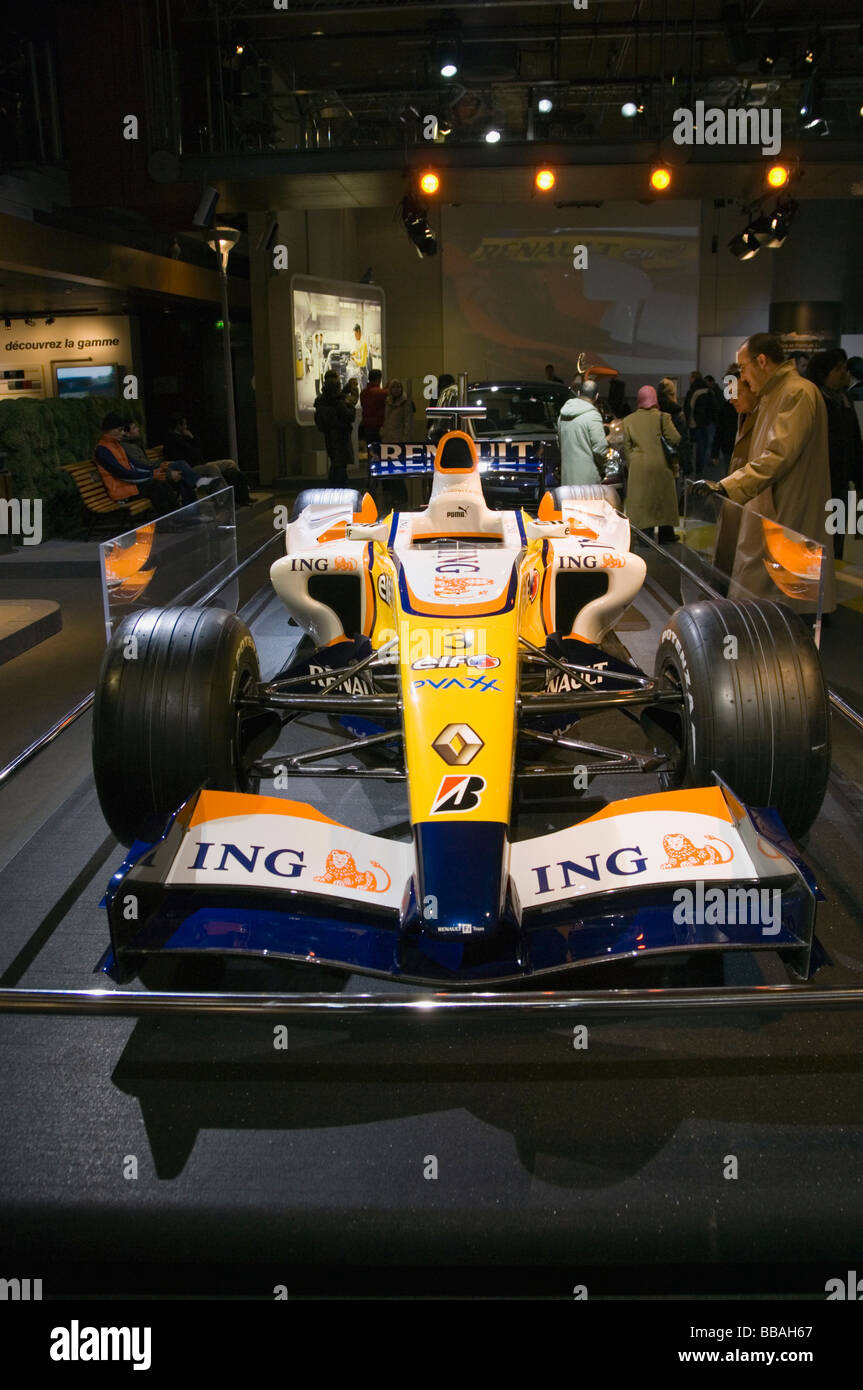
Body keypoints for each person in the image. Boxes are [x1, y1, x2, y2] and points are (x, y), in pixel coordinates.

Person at [693, 332, 835, 613]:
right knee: (769, 594)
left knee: (786, 599)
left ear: (761, 360)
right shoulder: (777, 393)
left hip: (787, 507)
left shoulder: (796, 392)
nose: (743, 378)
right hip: (772, 503)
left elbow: (778, 455)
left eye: (744, 368)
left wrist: (728, 485)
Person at [805, 350, 863, 558]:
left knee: (837, 540)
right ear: (823, 373)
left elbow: (855, 441)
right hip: (818, 487)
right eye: (837, 369)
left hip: (840, 484)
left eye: (844, 368)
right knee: (816, 541)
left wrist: (859, 479)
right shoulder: (813, 399)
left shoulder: (844, 399)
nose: (844, 373)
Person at [621, 385, 680, 542]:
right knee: (663, 500)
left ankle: (644, 537)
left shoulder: (628, 420)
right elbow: (675, 438)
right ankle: (666, 534)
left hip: (638, 466)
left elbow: (626, 447)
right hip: (661, 465)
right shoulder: (663, 417)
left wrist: (633, 461)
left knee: (642, 503)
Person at [94, 412, 180, 517]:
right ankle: (169, 522)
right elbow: (122, 474)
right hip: (121, 494)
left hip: (130, 487)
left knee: (160, 482)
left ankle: (177, 516)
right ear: (109, 430)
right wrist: (151, 474)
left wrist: (156, 469)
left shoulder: (117, 446)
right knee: (155, 486)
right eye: (120, 430)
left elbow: (136, 466)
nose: (123, 433)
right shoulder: (102, 450)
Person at [122, 420, 221, 505]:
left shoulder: (134, 444)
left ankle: (193, 503)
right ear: (126, 433)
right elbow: (143, 466)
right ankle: (198, 483)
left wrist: (162, 461)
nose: (138, 429)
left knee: (182, 471)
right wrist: (161, 464)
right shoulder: (128, 447)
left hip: (154, 470)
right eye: (134, 428)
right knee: (181, 468)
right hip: (150, 475)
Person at [163, 414, 252, 505]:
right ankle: (225, 501)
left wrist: (192, 438)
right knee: (212, 468)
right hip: (191, 467)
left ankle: (244, 491)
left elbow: (198, 450)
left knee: (230, 463)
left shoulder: (185, 437)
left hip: (201, 463)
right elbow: (189, 455)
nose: (186, 427)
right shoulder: (172, 439)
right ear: (178, 426)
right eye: (184, 425)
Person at [557, 378, 608, 486]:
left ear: (579, 393)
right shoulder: (593, 416)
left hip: (567, 479)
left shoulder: (562, 415)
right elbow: (600, 449)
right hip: (588, 481)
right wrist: (603, 468)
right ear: (597, 396)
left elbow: (559, 443)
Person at [316, 373, 355, 485]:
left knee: (335, 463)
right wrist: (350, 404)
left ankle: (332, 489)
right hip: (341, 437)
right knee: (341, 467)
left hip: (330, 436)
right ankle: (341, 491)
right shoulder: (339, 403)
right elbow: (349, 416)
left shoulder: (321, 400)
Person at [657, 377, 692, 474]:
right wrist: (686, 464)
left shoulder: (653, 410)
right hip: (672, 459)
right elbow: (682, 440)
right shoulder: (677, 411)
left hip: (654, 458)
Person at [686, 374, 719, 473]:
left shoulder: (694, 391)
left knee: (697, 446)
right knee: (704, 445)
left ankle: (696, 467)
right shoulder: (708, 390)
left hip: (695, 422)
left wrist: (689, 421)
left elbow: (689, 407)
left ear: (693, 378)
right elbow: (715, 407)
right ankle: (701, 466)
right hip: (707, 422)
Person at [381, 378, 415, 443]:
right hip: (388, 438)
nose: (396, 389)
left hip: (401, 438)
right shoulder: (388, 402)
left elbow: (408, 422)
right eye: (393, 387)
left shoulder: (405, 402)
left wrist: (406, 439)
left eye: (398, 387)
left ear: (401, 388)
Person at [360, 369, 387, 450]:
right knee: (380, 451)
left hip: (367, 426)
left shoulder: (363, 393)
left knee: (371, 451)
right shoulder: (382, 393)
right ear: (379, 379)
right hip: (379, 427)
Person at [350, 323, 369, 390]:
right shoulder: (359, 342)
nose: (355, 336)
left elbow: (363, 362)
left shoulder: (363, 343)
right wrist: (353, 353)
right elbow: (357, 351)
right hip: (361, 370)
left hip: (363, 371)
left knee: (364, 391)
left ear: (359, 332)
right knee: (361, 390)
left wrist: (354, 359)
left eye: (355, 334)